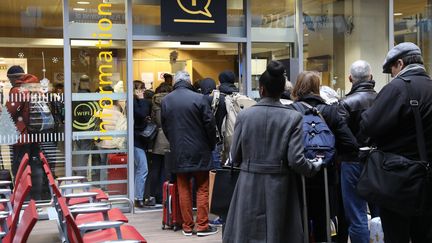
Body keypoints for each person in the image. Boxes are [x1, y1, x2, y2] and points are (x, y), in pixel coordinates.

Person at [223, 61, 323, 243]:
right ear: (282, 90)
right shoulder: (293, 117)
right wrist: (313, 167)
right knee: (278, 233)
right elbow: (296, 160)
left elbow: (235, 156)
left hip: (248, 184)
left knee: (247, 234)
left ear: (261, 89)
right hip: (280, 185)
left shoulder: (245, 116)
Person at [360, 42, 432, 243]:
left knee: (396, 236)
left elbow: (369, 126)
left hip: (399, 180)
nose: (392, 75)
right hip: (427, 181)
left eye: (391, 69)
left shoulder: (397, 88)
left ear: (399, 63)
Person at [290, 71, 358, 242]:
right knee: (323, 220)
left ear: (298, 87)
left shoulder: (291, 111)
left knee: (300, 221)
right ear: (316, 88)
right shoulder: (331, 112)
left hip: (298, 177)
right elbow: (350, 144)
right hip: (326, 177)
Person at [161, 71, 218, 237]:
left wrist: (174, 141)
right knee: (202, 188)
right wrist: (211, 144)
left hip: (178, 151)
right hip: (200, 150)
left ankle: (187, 226)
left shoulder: (166, 100)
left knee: (183, 189)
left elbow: (164, 126)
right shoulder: (199, 98)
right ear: (188, 81)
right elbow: (209, 124)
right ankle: (202, 226)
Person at [338, 60, 378, 243]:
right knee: (380, 213)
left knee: (357, 214)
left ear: (350, 78)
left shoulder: (345, 103)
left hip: (352, 162)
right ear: (370, 77)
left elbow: (341, 136)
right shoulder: (382, 99)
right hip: (379, 161)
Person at [6, 65, 44, 200]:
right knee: (35, 165)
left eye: (9, 79)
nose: (9, 82)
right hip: (36, 133)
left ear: (14, 77)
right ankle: (37, 197)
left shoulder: (18, 90)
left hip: (21, 136)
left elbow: (9, 113)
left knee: (20, 167)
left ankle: (24, 198)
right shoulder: (35, 88)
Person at [147, 82, 172, 205]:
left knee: (155, 168)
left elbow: (153, 119)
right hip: (169, 137)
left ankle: (153, 195)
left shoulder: (154, 101)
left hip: (157, 138)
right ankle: (164, 196)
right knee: (166, 169)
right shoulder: (172, 101)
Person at [133, 80, 152, 208]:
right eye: (141, 89)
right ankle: (138, 198)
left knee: (138, 168)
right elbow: (142, 114)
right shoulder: (135, 102)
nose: (143, 91)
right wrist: (142, 100)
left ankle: (138, 196)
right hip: (136, 140)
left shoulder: (137, 102)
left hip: (139, 140)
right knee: (143, 168)